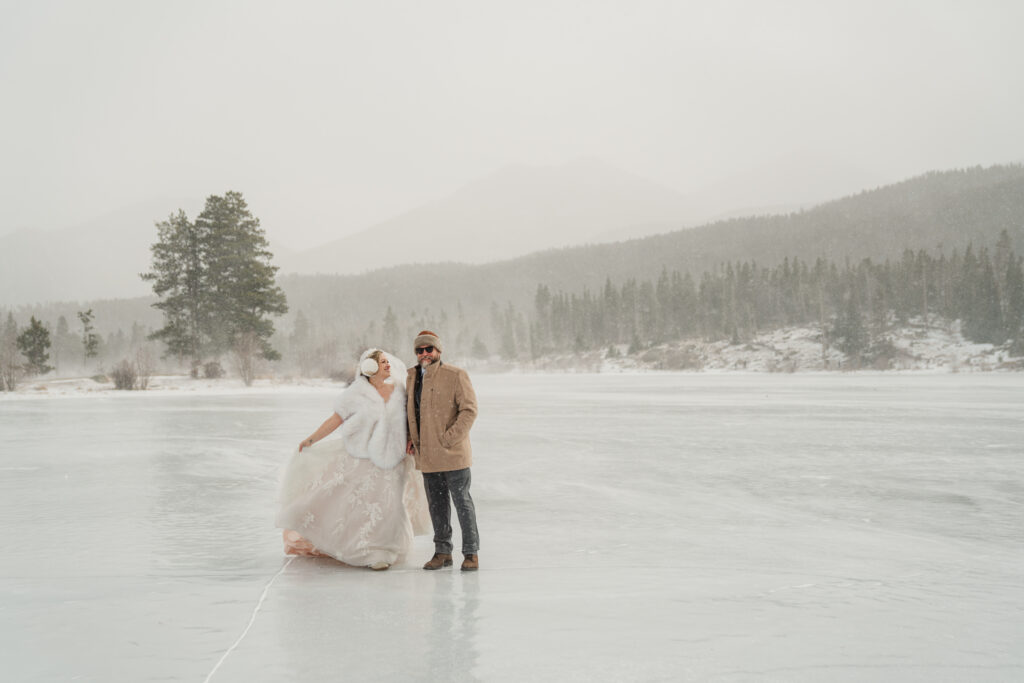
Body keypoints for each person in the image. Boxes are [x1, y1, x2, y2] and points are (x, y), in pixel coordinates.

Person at [277, 349, 430, 570]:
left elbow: (412, 420)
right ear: (370, 368)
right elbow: (335, 420)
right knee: (364, 503)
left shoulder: (399, 391)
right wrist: (311, 439)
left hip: (394, 456)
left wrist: (412, 442)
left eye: (388, 362)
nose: (388, 366)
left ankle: (384, 549)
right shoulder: (357, 393)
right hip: (363, 456)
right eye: (383, 362)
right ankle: (369, 550)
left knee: (391, 505)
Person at [405, 330, 480, 571]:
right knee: (437, 507)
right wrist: (412, 439)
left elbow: (469, 410)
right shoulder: (412, 377)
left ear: (439, 351)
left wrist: (449, 439)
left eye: (429, 349)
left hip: (453, 454)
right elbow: (411, 413)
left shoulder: (456, 375)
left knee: (463, 505)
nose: (424, 354)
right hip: (426, 455)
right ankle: (442, 552)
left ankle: (470, 552)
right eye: (420, 350)